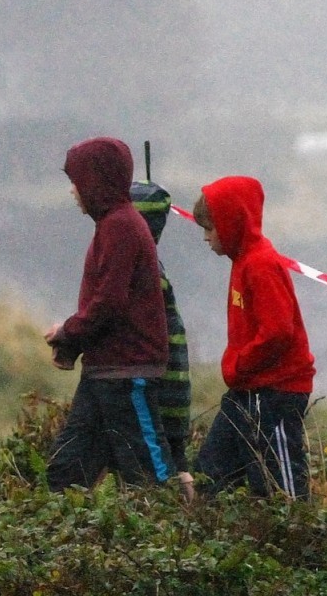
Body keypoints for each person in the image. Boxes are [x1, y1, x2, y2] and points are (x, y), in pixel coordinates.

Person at [44, 137, 172, 491]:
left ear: (95, 183)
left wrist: (68, 333)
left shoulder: (121, 227)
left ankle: (179, 537)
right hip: (104, 373)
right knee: (66, 473)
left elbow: (108, 304)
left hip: (128, 374)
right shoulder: (112, 225)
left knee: (149, 479)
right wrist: (73, 343)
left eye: (78, 181)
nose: (73, 191)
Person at [191, 176, 315, 500]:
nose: (205, 237)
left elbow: (277, 333)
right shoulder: (242, 260)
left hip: (277, 392)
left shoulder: (260, 264)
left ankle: (295, 544)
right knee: (210, 476)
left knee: (279, 490)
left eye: (209, 228)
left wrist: (237, 365)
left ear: (231, 223)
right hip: (248, 389)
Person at [130, 180, 195, 499]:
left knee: (167, 472)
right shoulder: (153, 266)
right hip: (173, 389)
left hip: (160, 389)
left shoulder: (145, 273)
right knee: (175, 462)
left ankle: (183, 527)